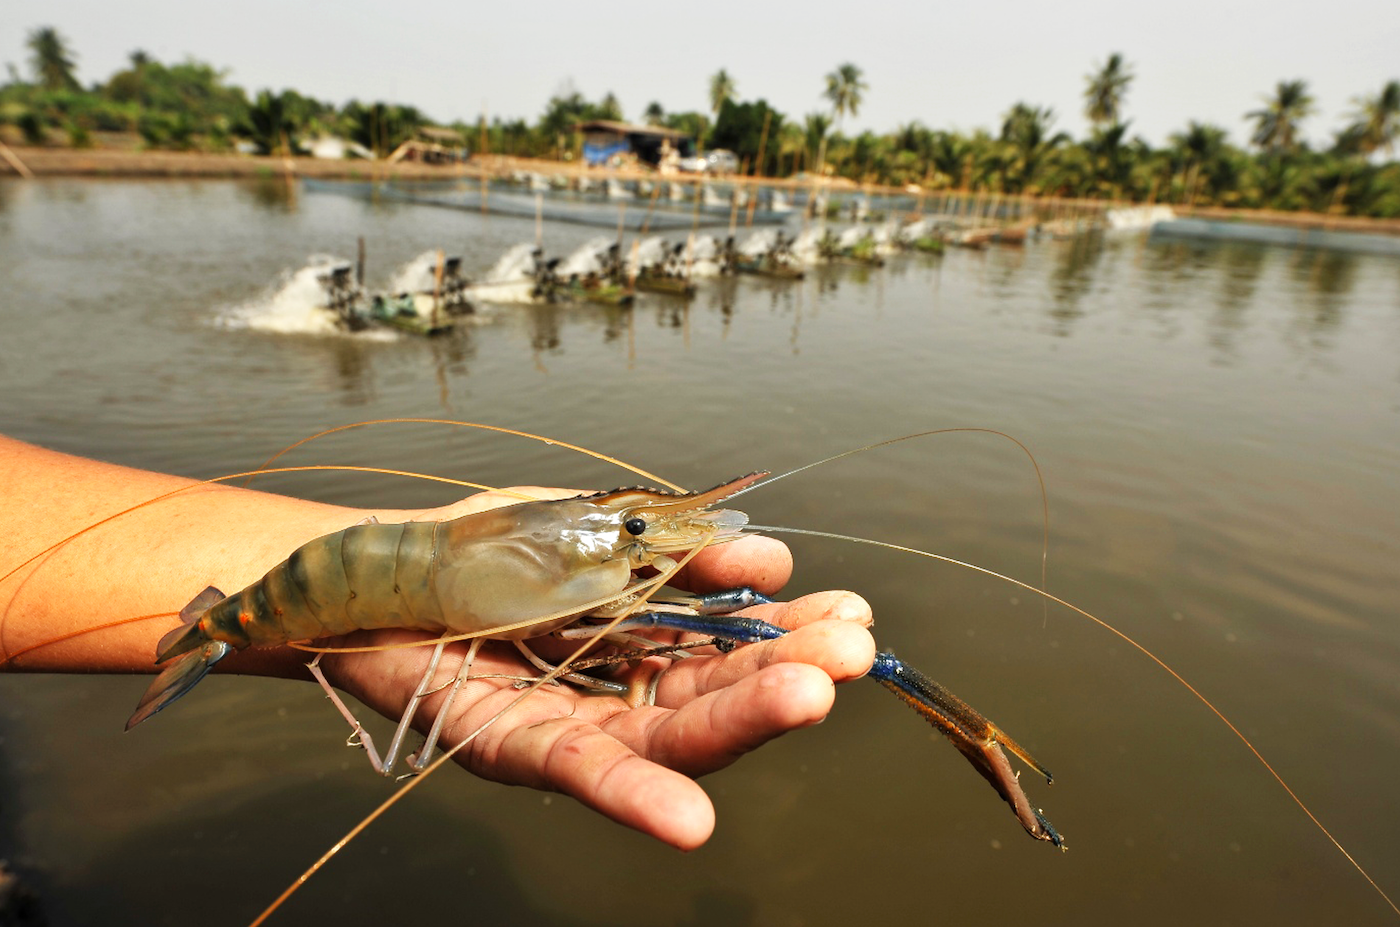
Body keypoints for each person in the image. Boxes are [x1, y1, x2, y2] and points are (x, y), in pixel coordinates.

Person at [0, 434, 874, 850]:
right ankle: (216, 631)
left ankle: (214, 626)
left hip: (354, 579)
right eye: (633, 525)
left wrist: (628, 537)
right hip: (308, 593)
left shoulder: (588, 544)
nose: (642, 539)